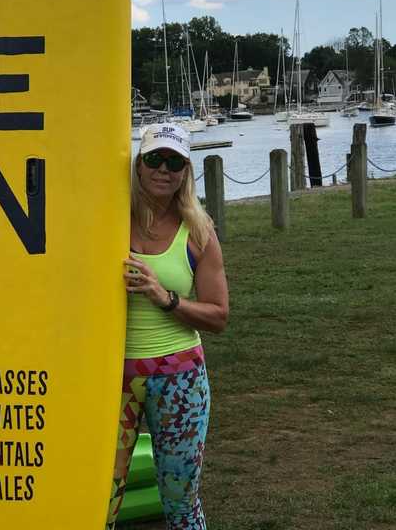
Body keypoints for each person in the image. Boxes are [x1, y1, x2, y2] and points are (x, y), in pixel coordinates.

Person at [107, 123, 229, 530]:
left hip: (179, 381)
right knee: (96, 499)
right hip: (109, 378)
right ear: (138, 165)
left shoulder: (198, 232)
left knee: (180, 502)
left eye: (174, 162)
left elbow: (219, 316)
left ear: (186, 172)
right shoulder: (107, 220)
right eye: (154, 159)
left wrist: (166, 298)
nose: (164, 169)